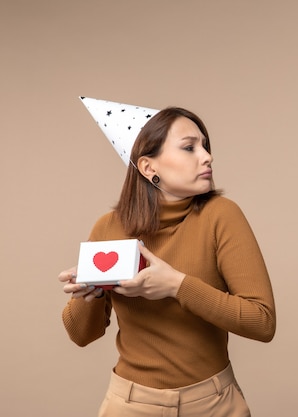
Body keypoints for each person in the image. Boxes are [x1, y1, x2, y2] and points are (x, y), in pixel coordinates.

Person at [59, 102, 276, 417]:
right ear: (149, 168)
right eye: (189, 148)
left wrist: (177, 285)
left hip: (213, 404)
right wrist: (88, 294)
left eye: (205, 146)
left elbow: (263, 322)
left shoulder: (222, 216)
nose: (207, 156)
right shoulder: (109, 228)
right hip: (129, 405)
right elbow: (81, 335)